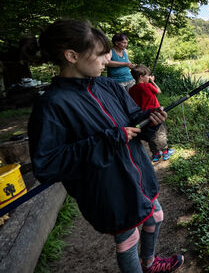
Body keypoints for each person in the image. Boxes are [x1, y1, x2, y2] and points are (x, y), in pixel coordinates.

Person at [28, 19, 183, 273]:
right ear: (72, 56)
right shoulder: (51, 106)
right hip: (108, 190)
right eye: (101, 53)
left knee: (155, 216)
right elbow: (46, 165)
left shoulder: (110, 87)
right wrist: (107, 140)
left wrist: (151, 121)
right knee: (128, 238)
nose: (107, 58)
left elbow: (135, 122)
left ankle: (150, 263)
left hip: (139, 175)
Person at [129, 64, 174, 162]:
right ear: (141, 77)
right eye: (147, 75)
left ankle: (155, 154)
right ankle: (165, 152)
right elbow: (158, 91)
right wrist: (152, 81)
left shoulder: (132, 89)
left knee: (151, 135)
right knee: (161, 133)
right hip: (156, 114)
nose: (149, 77)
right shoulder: (148, 85)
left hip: (144, 116)